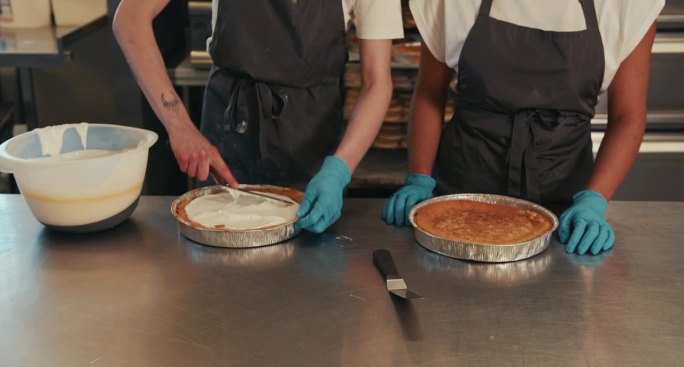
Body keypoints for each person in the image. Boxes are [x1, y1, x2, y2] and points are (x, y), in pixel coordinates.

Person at [383, 0, 664, 255]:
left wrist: (594, 200)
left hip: (567, 213)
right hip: (457, 199)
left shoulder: (626, 6)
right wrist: (419, 177)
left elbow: (627, 117)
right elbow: (429, 94)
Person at [113, 0, 403, 233]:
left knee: (314, 280)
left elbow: (377, 82)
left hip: (314, 149)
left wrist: (339, 170)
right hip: (228, 145)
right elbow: (130, 20)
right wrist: (179, 127)